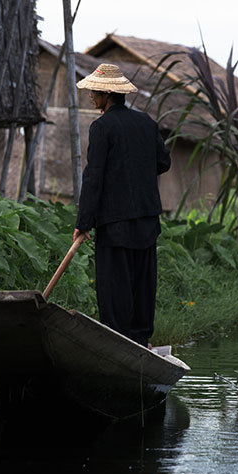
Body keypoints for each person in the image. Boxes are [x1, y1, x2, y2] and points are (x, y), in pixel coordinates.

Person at [73, 63, 171, 347]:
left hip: (115, 223)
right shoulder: (146, 123)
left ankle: (118, 342)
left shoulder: (102, 127)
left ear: (107, 94)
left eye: (94, 91)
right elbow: (163, 162)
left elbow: (94, 178)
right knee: (142, 283)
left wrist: (83, 222)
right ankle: (141, 340)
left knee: (114, 286)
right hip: (146, 220)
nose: (90, 95)